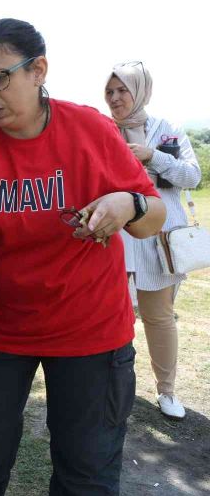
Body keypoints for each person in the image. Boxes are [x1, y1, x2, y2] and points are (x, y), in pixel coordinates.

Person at [0, 18, 166, 495]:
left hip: (91, 331)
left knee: (86, 475)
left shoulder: (91, 129)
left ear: (38, 70)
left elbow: (154, 217)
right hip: (1, 331)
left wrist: (130, 203)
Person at [104, 62, 201, 420]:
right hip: (115, 239)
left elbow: (191, 177)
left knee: (158, 317)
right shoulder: (101, 130)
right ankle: (117, 390)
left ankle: (167, 390)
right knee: (115, 318)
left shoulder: (167, 130)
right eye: (109, 91)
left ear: (141, 91)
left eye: (122, 90)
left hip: (157, 241)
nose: (114, 98)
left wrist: (152, 156)